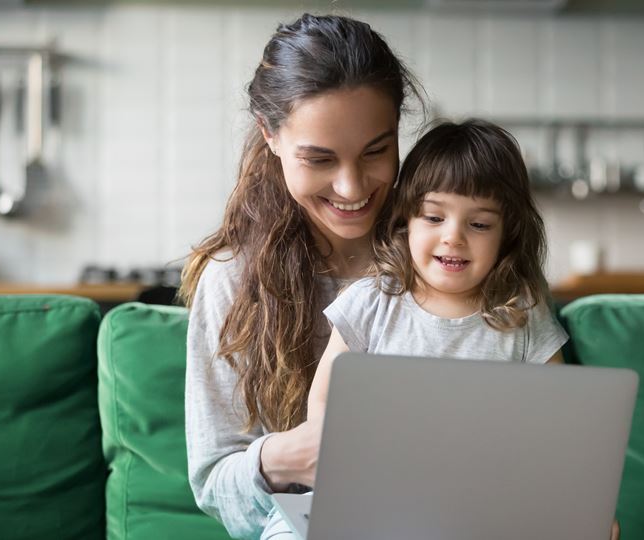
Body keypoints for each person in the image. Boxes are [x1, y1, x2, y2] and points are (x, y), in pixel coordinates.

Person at [180, 13, 421, 540]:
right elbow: (214, 485)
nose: (352, 186)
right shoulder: (233, 279)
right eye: (319, 159)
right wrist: (285, 457)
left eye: (376, 151)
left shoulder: (448, 254)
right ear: (270, 136)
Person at [307, 119, 568, 421]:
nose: (453, 237)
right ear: (407, 221)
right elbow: (324, 402)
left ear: (506, 235)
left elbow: (556, 413)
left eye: (479, 224)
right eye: (433, 218)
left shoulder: (523, 316)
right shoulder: (369, 303)